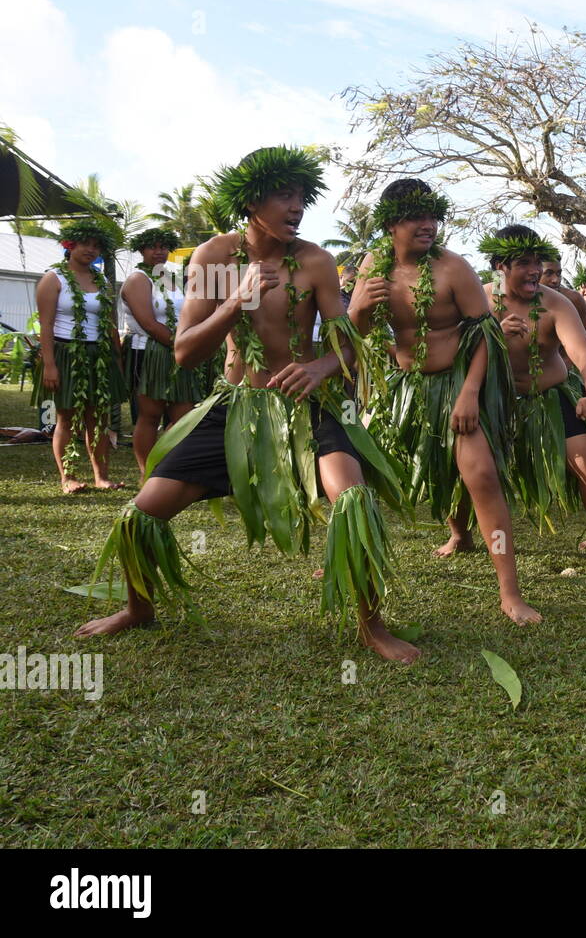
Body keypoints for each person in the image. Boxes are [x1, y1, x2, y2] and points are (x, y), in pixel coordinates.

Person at [74, 145, 418, 663]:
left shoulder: (315, 261)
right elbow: (187, 351)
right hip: (235, 407)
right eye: (285, 195)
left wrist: (321, 366)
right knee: (140, 514)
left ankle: (373, 626)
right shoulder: (215, 258)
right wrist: (236, 300)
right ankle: (138, 609)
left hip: (307, 405)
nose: (297, 206)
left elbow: (348, 341)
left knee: (351, 500)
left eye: (302, 196)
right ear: (252, 200)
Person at [349, 179, 539, 625]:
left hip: (459, 380)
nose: (428, 225)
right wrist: (359, 307)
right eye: (417, 216)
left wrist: (470, 393)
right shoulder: (373, 265)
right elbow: (354, 332)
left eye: (434, 216)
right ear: (390, 222)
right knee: (365, 479)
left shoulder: (454, 268)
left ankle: (509, 591)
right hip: (405, 387)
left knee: (482, 476)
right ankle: (353, 565)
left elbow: (485, 336)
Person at [477, 225, 586, 578]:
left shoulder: (556, 303)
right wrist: (493, 336)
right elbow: (460, 356)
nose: (535, 271)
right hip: (493, 399)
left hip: (549, 397)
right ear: (499, 266)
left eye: (537, 262)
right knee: (475, 470)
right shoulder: (479, 301)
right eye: (523, 263)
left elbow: (584, 354)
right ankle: (461, 535)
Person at [33, 219, 130, 493]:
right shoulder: (53, 279)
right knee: (67, 418)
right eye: (86, 244)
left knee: (98, 418)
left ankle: (102, 476)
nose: (91, 250)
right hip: (66, 352)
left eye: (97, 246)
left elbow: (110, 321)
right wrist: (50, 364)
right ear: (70, 245)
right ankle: (68, 477)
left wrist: (117, 357)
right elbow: (46, 325)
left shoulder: (102, 280)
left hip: (99, 354)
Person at [122, 227, 204, 476]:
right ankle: (147, 471)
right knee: (150, 414)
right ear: (142, 250)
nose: (159, 252)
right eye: (152, 247)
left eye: (163, 247)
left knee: (184, 415)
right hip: (148, 351)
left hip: (177, 351)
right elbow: (148, 322)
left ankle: (170, 469)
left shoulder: (171, 277)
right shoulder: (138, 279)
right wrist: (182, 344)